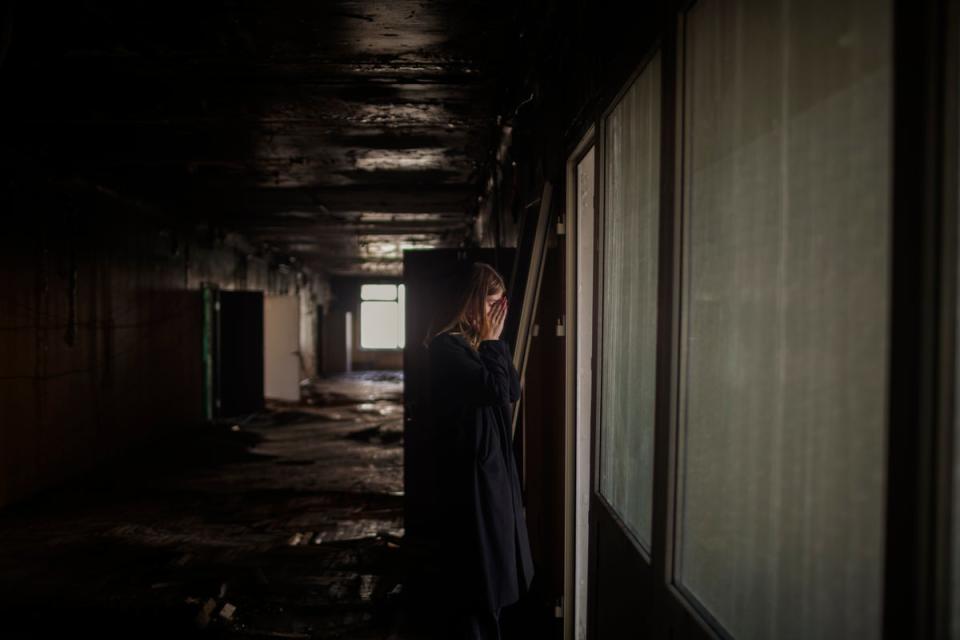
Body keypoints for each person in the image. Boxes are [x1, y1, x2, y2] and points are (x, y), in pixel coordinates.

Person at [424, 262, 535, 640]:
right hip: (470, 475)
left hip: (491, 469)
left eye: (499, 307)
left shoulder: (473, 344)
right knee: (479, 572)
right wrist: (490, 343)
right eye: (490, 305)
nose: (495, 315)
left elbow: (512, 390)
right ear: (470, 303)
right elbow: (494, 390)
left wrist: (493, 343)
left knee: (497, 565)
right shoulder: (445, 347)